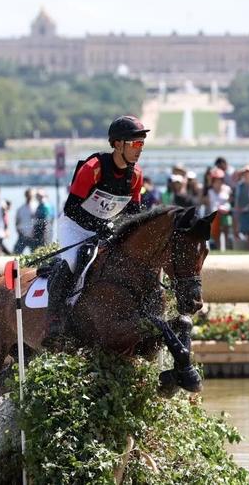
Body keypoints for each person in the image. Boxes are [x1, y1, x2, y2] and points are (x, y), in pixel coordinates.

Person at [44, 115, 149, 346]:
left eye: (142, 143)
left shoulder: (136, 175)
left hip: (106, 229)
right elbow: (72, 207)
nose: (139, 149)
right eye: (135, 144)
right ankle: (54, 319)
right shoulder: (94, 168)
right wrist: (99, 226)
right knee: (73, 260)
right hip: (76, 226)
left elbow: (132, 212)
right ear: (118, 144)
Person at [234, 165, 249, 250]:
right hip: (242, 212)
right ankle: (248, 249)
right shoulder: (240, 185)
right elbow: (237, 200)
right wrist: (238, 211)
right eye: (245, 173)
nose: (247, 174)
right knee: (245, 231)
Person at [14, 189, 37, 254]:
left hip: (33, 235)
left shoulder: (36, 206)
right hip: (22, 235)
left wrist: (35, 232)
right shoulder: (21, 208)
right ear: (25, 196)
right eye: (27, 195)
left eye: (30, 195)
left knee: (35, 255)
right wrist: (18, 231)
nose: (29, 197)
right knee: (16, 253)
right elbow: (17, 221)